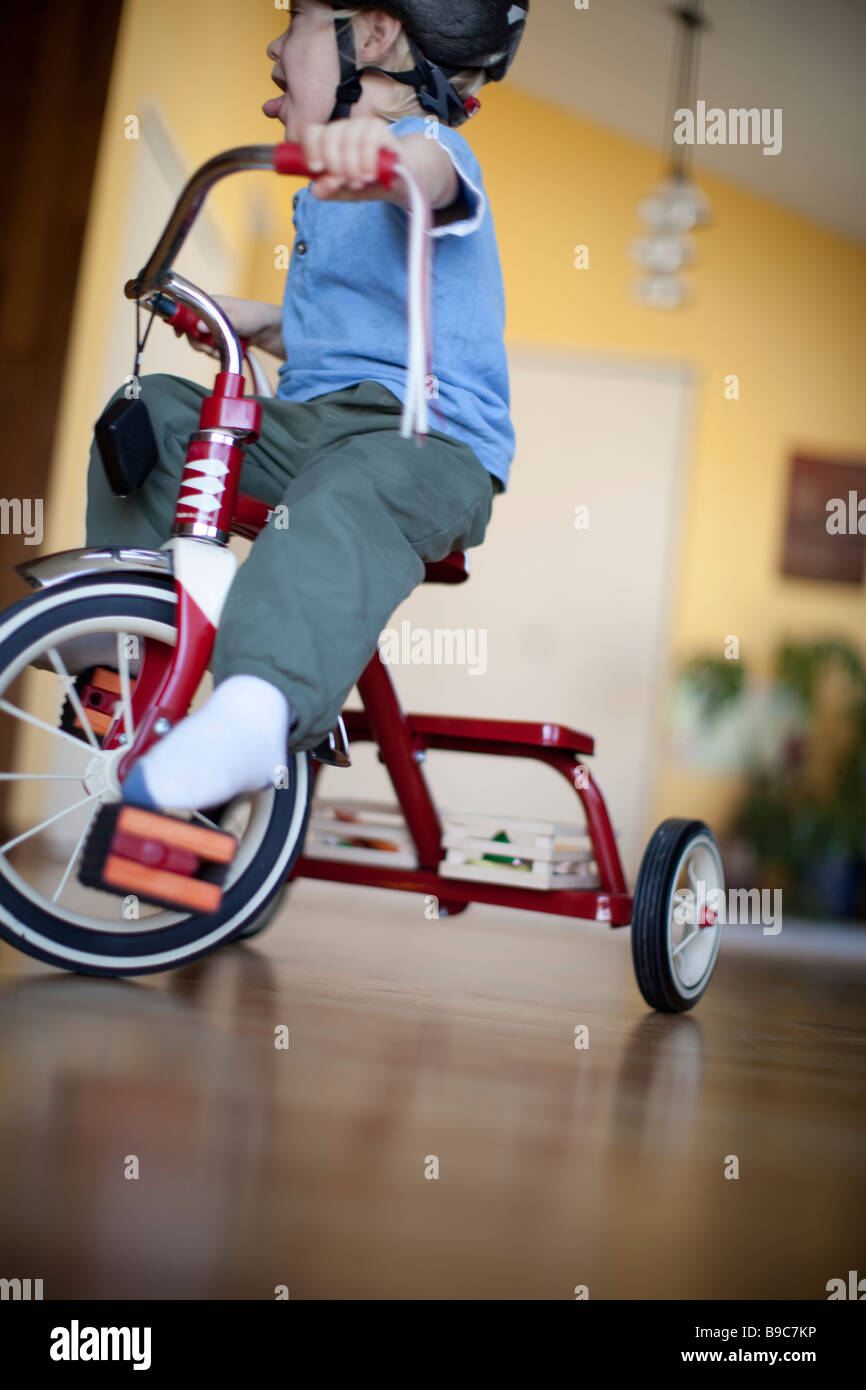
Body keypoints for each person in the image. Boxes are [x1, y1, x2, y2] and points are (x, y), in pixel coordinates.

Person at [86, 0, 528, 812]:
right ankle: (130, 647)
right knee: (159, 410)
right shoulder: (320, 197)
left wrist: (381, 162)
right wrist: (257, 322)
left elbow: (432, 181)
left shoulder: (425, 148)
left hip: (428, 441)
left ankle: (253, 712)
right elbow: (350, 330)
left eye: (295, 19)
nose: (272, 43)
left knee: (346, 495)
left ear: (375, 35)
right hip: (316, 427)